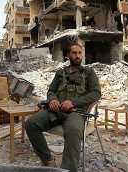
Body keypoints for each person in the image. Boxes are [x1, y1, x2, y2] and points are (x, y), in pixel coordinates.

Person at [25, 42, 101, 172]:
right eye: (74, 53)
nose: (77, 56)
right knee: (31, 124)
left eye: (79, 53)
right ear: (68, 55)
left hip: (76, 112)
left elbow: (96, 93)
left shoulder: (89, 72)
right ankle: (47, 159)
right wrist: (52, 99)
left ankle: (67, 169)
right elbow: (51, 90)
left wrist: (73, 103)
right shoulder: (60, 73)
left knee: (73, 131)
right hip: (56, 110)